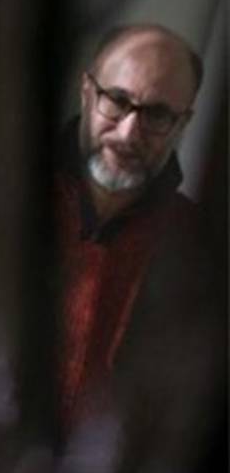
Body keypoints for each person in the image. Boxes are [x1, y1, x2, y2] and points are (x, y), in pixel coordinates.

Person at [54, 23, 202, 434]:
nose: (128, 133)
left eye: (157, 115)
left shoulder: (196, 246)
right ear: (87, 91)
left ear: (182, 123)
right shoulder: (12, 197)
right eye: (118, 101)